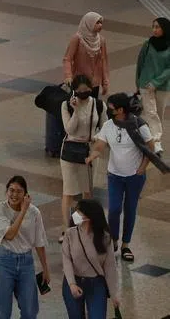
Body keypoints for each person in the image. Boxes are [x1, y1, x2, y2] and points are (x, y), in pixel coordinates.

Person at [85, 92, 155, 262]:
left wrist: (143, 167)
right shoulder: (108, 125)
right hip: (115, 175)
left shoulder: (139, 125)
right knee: (114, 208)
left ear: (121, 110)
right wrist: (94, 154)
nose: (108, 110)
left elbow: (150, 147)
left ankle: (125, 245)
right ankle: (114, 239)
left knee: (130, 209)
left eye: (111, 108)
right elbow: (101, 144)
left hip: (134, 176)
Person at [0, 175, 50, 319]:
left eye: (19, 191)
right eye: (11, 190)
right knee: (3, 312)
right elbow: (10, 235)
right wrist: (23, 211)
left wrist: (45, 269)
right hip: (4, 261)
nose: (14, 195)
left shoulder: (35, 212)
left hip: (26, 262)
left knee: (30, 311)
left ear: (25, 194)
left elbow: (39, 242)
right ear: (6, 192)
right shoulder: (0, 209)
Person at [52, 12, 109, 157]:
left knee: (92, 108)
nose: (100, 26)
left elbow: (104, 61)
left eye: (101, 23)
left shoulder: (101, 41)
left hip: (93, 83)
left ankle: (90, 136)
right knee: (76, 108)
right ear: (88, 23)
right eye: (97, 23)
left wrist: (105, 81)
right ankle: (74, 137)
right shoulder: (77, 38)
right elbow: (67, 59)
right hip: (78, 83)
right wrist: (68, 76)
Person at [58, 75, 104, 235]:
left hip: (89, 151)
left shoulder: (98, 105)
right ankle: (67, 229)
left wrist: (97, 141)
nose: (84, 94)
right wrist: (76, 111)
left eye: (87, 91)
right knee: (68, 191)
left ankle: (84, 226)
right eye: (80, 91)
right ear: (74, 91)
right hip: (70, 150)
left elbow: (104, 128)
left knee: (87, 191)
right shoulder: (66, 105)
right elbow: (69, 130)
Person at [60, 199, 119, 319]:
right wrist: (72, 284)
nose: (75, 214)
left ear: (89, 216)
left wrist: (114, 294)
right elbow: (66, 261)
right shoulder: (70, 234)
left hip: (96, 283)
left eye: (79, 212)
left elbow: (110, 267)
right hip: (74, 282)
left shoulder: (105, 238)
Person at [135, 16, 170, 154]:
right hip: (145, 84)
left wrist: (156, 82)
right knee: (151, 113)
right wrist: (138, 83)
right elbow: (140, 63)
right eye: (153, 27)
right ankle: (155, 143)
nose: (154, 30)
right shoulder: (147, 44)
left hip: (162, 85)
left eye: (158, 27)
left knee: (158, 114)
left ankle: (154, 140)